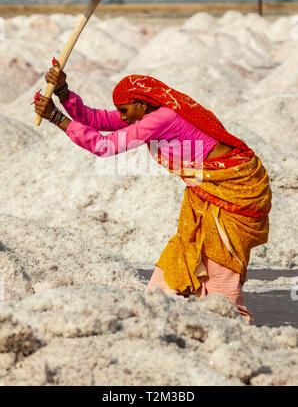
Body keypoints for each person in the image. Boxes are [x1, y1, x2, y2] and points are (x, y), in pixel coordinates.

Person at [33, 62, 272, 325]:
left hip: (233, 189)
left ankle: (235, 328)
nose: (122, 118)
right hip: (206, 190)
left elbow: (103, 145)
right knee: (181, 256)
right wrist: (64, 91)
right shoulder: (149, 114)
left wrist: (56, 117)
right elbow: (96, 120)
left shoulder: (161, 119)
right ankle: (166, 316)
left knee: (218, 263)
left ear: (142, 104)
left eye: (125, 111)